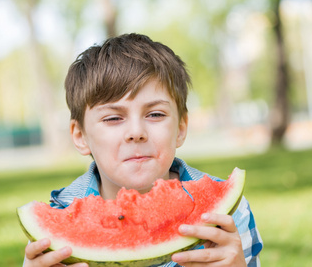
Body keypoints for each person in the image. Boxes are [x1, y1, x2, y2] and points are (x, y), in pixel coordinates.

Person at [23, 33, 263, 267]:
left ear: (180, 127)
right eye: (113, 118)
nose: (136, 132)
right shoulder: (61, 220)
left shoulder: (228, 215)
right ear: (80, 136)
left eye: (155, 114)